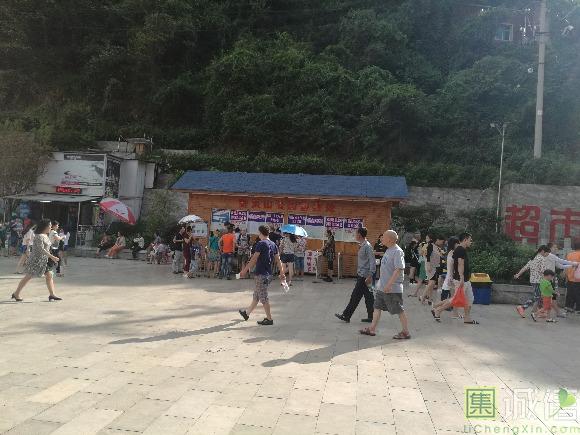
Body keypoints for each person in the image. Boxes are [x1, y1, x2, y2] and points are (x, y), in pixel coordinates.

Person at [360, 230, 410, 339]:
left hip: (392, 288)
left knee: (399, 310)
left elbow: (399, 269)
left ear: (390, 239)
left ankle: (405, 332)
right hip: (382, 287)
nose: (381, 238)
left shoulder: (397, 251)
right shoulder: (388, 250)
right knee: (377, 307)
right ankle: (372, 328)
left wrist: (389, 284)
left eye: (384, 237)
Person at [238, 225, 286, 326]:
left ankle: (269, 319)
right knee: (257, 295)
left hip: (261, 274)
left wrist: (244, 270)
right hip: (268, 274)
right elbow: (278, 260)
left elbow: (254, 258)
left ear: (260, 233)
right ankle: (247, 313)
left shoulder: (261, 243)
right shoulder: (273, 244)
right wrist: (282, 272)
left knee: (263, 297)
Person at [11, 219, 62, 302]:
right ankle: (16, 293)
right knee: (28, 276)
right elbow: (41, 249)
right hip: (36, 260)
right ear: (45, 226)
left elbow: (47, 248)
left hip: (44, 260)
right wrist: (52, 257)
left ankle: (52, 294)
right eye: (49, 225)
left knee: (49, 275)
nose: (51, 227)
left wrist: (51, 256)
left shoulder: (45, 235)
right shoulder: (39, 236)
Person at [335, 227, 376, 323]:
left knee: (355, 296)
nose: (355, 235)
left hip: (365, 277)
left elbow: (372, 262)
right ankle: (372, 317)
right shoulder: (362, 245)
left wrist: (370, 275)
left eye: (356, 233)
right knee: (369, 297)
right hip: (363, 275)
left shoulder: (367, 246)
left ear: (359, 235)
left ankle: (346, 315)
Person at [514, 245, 551, 318]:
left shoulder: (533, 258)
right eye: (547, 253)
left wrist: (518, 274)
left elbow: (525, 267)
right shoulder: (542, 259)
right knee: (537, 296)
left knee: (539, 296)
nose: (547, 255)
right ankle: (522, 307)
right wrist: (547, 280)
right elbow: (543, 272)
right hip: (539, 281)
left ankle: (541, 312)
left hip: (533, 280)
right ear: (543, 251)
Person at [431, 237, 462, 321]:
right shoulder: (453, 253)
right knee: (454, 298)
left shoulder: (451, 252)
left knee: (454, 297)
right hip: (452, 277)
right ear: (455, 244)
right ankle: (437, 308)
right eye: (458, 243)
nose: (459, 245)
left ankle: (454, 313)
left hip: (451, 277)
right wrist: (451, 278)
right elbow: (453, 267)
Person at [452, 232, 478, 325]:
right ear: (465, 240)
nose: (471, 242)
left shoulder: (462, 249)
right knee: (455, 300)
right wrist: (461, 277)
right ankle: (437, 309)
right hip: (461, 279)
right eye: (470, 240)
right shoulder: (460, 250)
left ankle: (467, 318)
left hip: (466, 279)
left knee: (470, 299)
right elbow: (460, 264)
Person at [423, 235, 445, 305]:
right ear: (438, 240)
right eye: (442, 241)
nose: (442, 243)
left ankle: (429, 298)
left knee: (432, 283)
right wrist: (429, 266)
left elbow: (440, 255)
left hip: (435, 266)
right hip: (431, 267)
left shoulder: (437, 247)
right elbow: (428, 256)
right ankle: (423, 296)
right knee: (432, 283)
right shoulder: (431, 245)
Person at [565, 238, 580, 314]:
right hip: (578, 278)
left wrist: (566, 275)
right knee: (578, 294)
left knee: (570, 293)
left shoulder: (569, 254)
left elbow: (566, 265)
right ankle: (578, 309)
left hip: (570, 277)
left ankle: (568, 307)